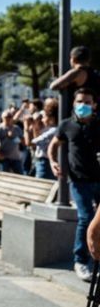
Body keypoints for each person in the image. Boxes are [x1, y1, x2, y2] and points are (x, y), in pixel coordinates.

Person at [47, 88, 100, 282]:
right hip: (79, 180)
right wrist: (53, 162)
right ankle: (80, 260)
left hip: (98, 178)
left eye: (87, 102)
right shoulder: (66, 125)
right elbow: (53, 145)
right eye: (79, 102)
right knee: (86, 218)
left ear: (94, 105)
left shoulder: (97, 124)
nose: (83, 105)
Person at [27, 110, 57, 180]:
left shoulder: (53, 130)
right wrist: (35, 125)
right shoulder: (47, 129)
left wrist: (26, 127)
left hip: (45, 163)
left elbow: (29, 143)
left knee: (41, 185)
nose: (42, 120)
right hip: (42, 162)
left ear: (51, 118)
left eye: (43, 117)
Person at [0, 110, 24, 174]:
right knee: (4, 174)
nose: (8, 118)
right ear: (2, 118)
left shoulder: (17, 128)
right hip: (4, 157)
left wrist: (14, 138)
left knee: (19, 175)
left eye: (10, 116)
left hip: (15, 157)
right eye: (6, 117)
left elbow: (23, 141)